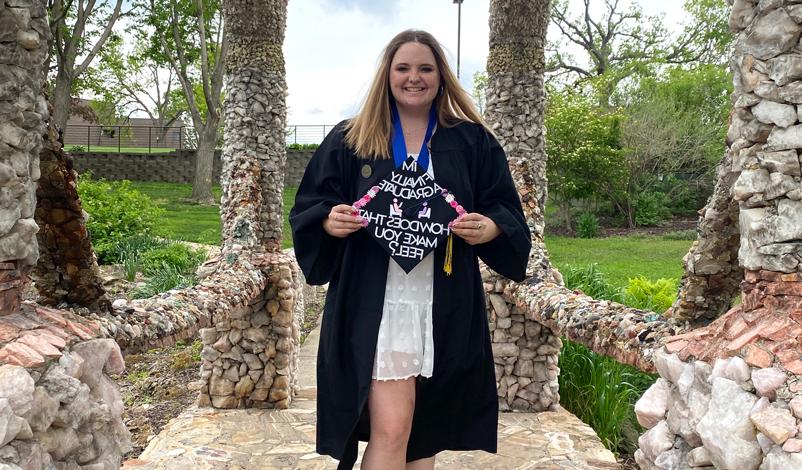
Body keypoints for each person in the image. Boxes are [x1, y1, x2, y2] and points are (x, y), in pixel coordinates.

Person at [290, 29, 531, 470]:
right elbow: (311, 205)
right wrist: (329, 220)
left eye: (425, 68)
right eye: (403, 68)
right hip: (378, 304)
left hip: (444, 302)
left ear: (441, 76)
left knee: (425, 434)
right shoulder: (353, 138)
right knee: (392, 430)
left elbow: (504, 206)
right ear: (388, 74)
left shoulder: (472, 140)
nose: (413, 77)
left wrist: (492, 227)